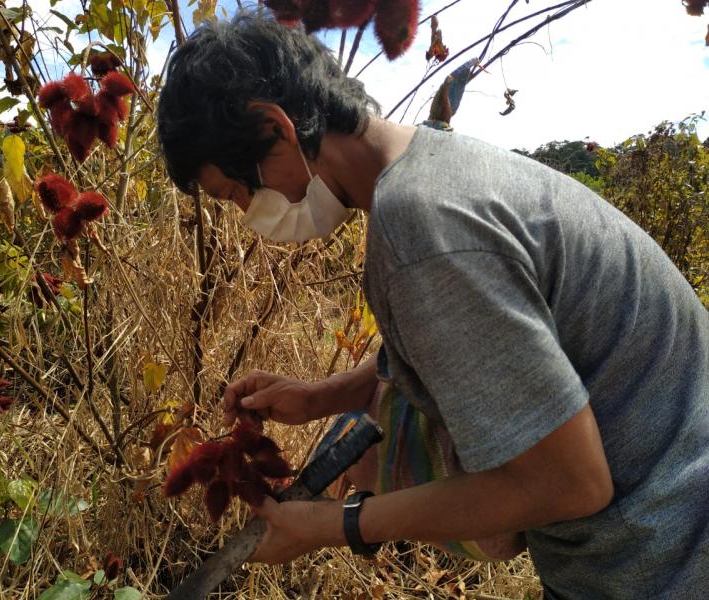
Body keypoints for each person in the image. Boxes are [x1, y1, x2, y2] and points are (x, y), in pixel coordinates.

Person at [156, 11, 709, 599]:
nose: (249, 213)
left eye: (235, 192)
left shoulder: (423, 230)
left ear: (275, 128)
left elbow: (568, 483)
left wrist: (335, 525)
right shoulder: (440, 167)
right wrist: (324, 396)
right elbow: (488, 347)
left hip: (662, 557)